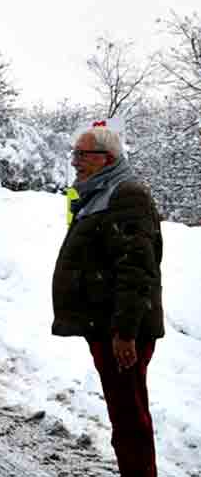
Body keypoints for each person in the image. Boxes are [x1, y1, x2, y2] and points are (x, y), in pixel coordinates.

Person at [52, 126, 164, 477]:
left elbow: (137, 269)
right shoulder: (99, 192)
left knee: (129, 417)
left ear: (107, 158)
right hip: (105, 324)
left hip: (121, 331)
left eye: (82, 155)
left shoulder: (126, 195)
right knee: (124, 412)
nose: (75, 161)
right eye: (74, 153)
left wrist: (125, 332)